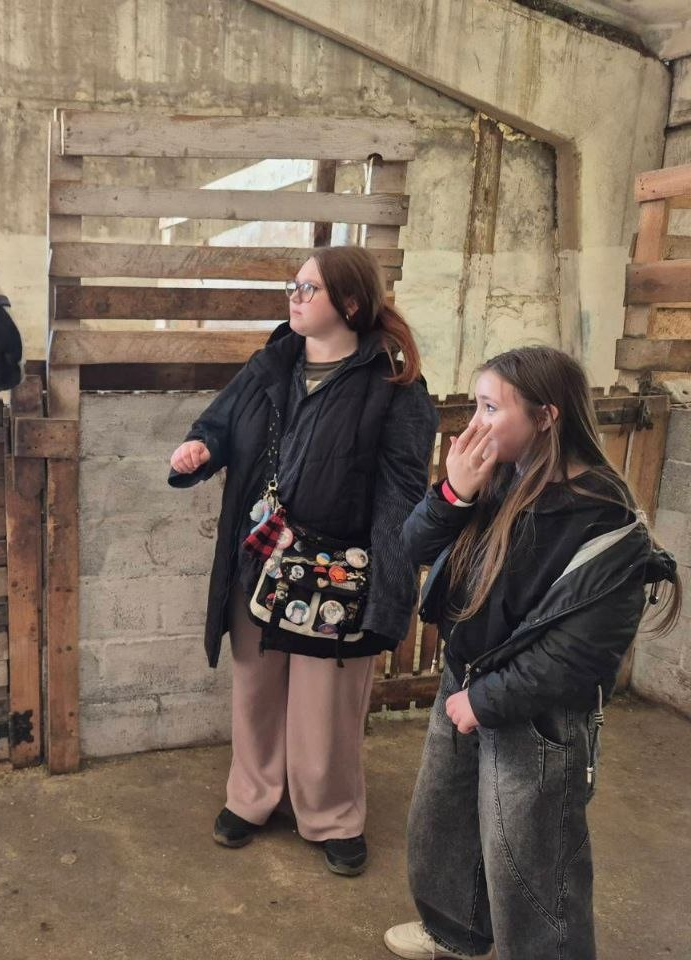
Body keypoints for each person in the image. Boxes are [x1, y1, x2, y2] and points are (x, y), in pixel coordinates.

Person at [383, 346, 680, 960]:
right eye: (478, 405)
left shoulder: (608, 521)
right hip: (463, 683)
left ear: (547, 415)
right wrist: (452, 493)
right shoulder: (493, 477)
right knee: (445, 826)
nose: (476, 424)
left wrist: (486, 700)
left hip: (535, 715)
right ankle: (455, 931)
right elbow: (410, 544)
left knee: (532, 864)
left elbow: (580, 655)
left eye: (493, 407)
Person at [168, 245, 437, 875]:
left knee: (327, 704)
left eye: (308, 289)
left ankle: (332, 814)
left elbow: (401, 494)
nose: (294, 296)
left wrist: (388, 591)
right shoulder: (271, 364)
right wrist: (198, 450)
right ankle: (253, 797)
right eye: (293, 285)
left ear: (348, 303)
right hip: (258, 557)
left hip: (335, 575)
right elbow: (216, 424)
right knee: (256, 690)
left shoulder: (393, 386)